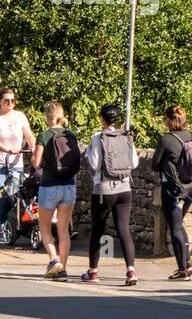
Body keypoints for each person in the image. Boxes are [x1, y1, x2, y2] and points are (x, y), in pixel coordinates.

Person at [82, 103, 138, 285]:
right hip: (124, 188)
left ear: (101, 118)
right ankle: (131, 271)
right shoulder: (126, 136)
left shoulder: (98, 137)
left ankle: (93, 272)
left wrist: (89, 151)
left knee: (98, 230)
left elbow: (95, 164)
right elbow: (135, 163)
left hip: (104, 189)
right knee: (123, 229)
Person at [152, 105, 192, 281]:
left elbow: (155, 164)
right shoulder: (190, 136)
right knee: (179, 224)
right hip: (191, 187)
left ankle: (183, 270)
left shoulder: (166, 139)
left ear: (168, 120)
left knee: (174, 228)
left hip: (174, 189)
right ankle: (187, 262)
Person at [31, 101, 79, 280]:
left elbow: (36, 163)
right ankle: (63, 269)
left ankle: (53, 261)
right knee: (63, 229)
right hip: (69, 185)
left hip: (50, 185)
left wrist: (34, 158)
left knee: (44, 227)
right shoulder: (70, 135)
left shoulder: (44, 136)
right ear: (61, 115)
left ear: (46, 117)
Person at [0, 86, 36, 242]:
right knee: (2, 193)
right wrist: (8, 149)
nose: (10, 103)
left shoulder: (20, 116)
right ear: (0, 101)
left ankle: (14, 224)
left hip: (15, 162)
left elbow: (29, 135)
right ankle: (1, 224)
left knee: (15, 195)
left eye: (13, 100)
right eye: (6, 100)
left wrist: (33, 146)